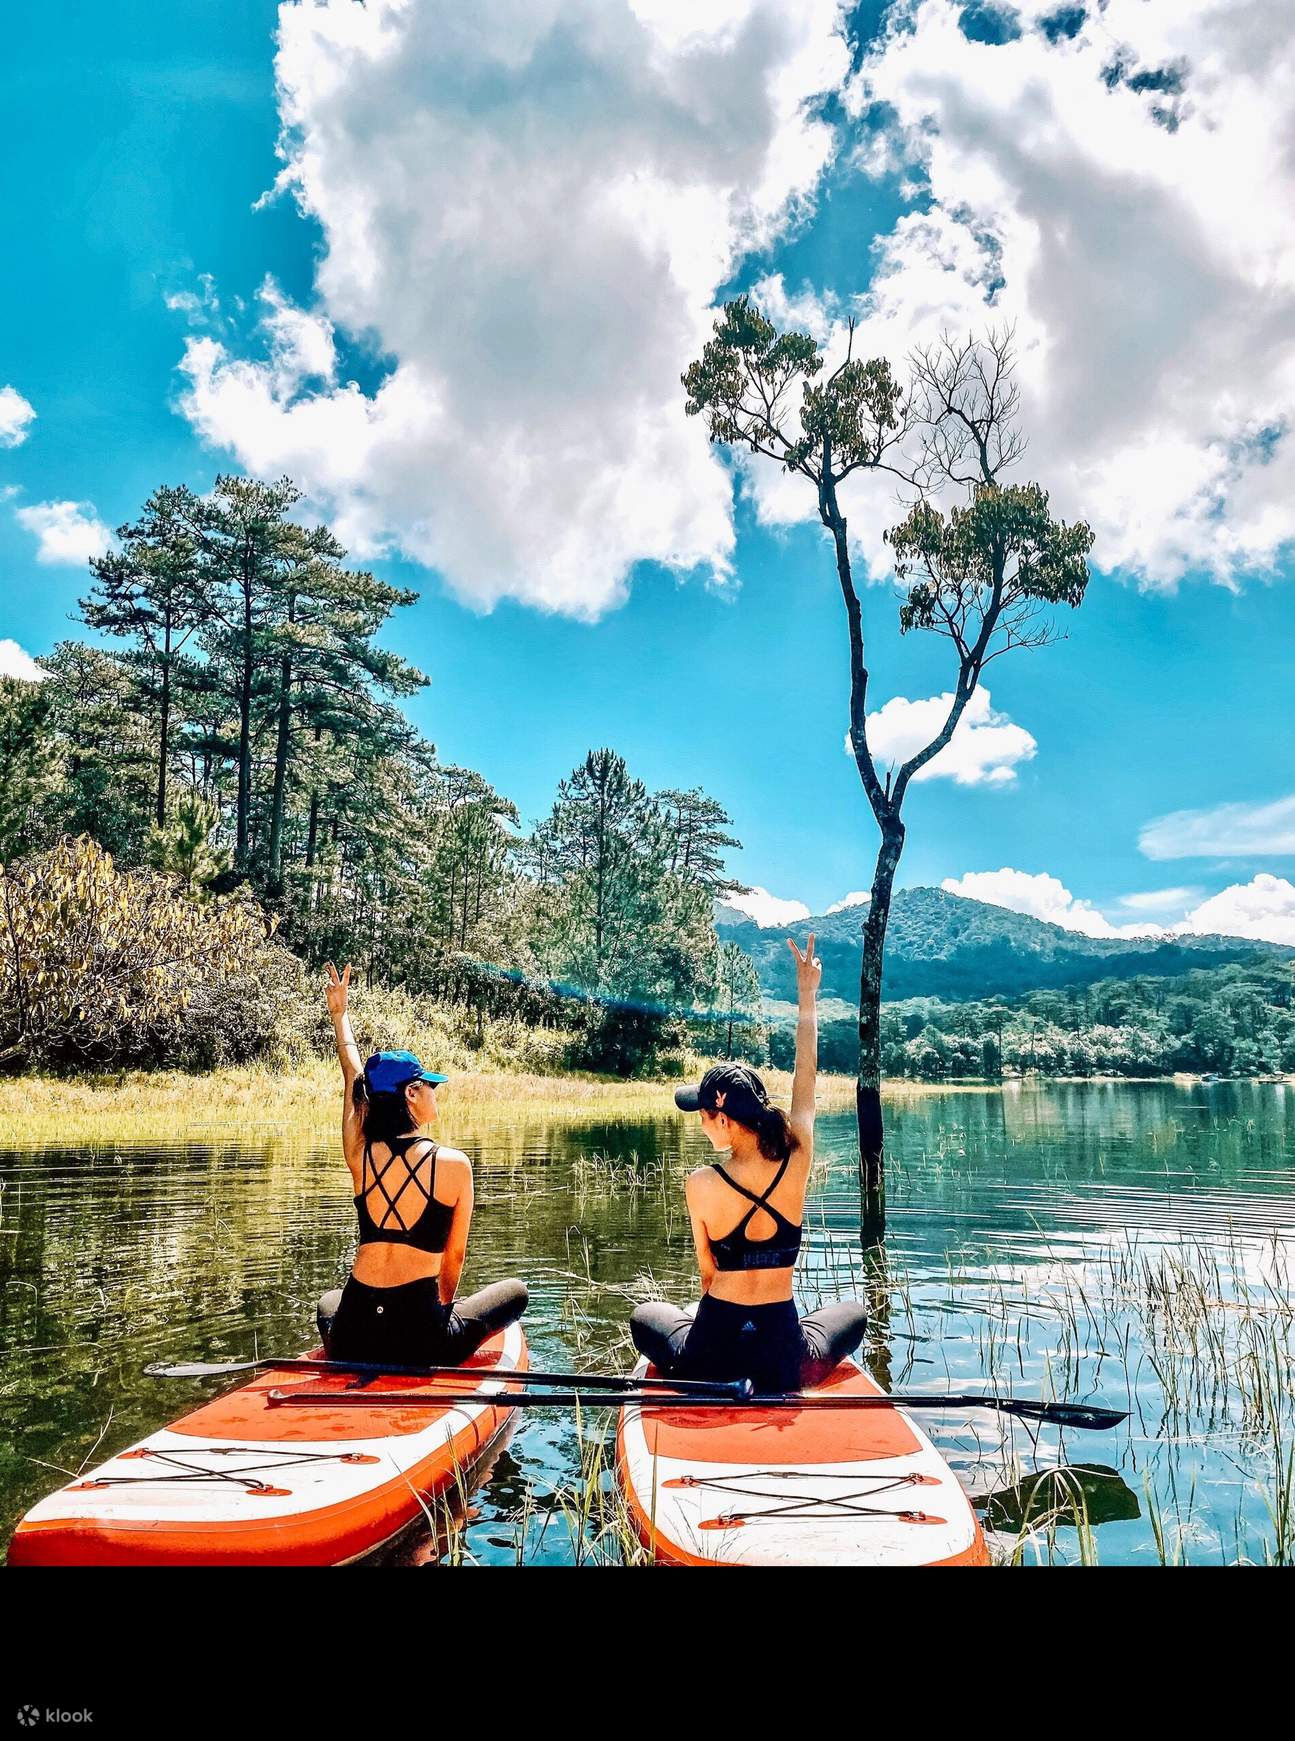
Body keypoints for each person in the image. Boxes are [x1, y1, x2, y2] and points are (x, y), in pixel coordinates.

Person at [629, 933, 868, 1393]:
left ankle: (718, 1357)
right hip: (782, 1358)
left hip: (710, 1358)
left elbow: (708, 1276)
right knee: (853, 1314)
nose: (701, 1125)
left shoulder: (701, 1183)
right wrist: (807, 994)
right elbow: (806, 1077)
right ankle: (776, 1353)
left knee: (646, 1316)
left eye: (702, 1116)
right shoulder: (796, 1158)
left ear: (723, 1119)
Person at [315, 962, 527, 1364]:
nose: (435, 1092)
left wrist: (339, 1017)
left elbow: (353, 1078)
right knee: (515, 1293)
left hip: (353, 1335)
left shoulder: (360, 1154)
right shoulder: (453, 1164)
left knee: (330, 1302)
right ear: (412, 1093)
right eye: (430, 1086)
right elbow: (454, 1259)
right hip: (419, 1339)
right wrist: (440, 1316)